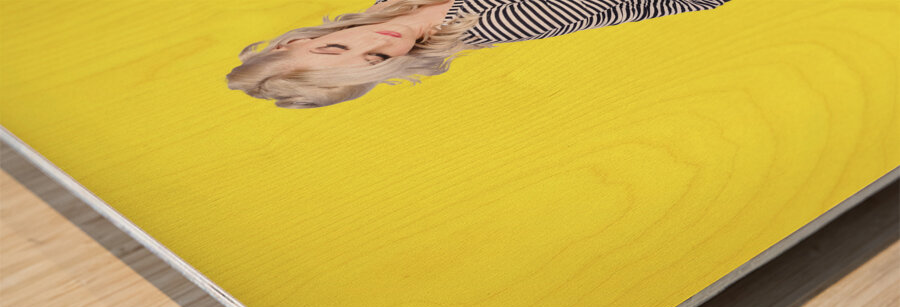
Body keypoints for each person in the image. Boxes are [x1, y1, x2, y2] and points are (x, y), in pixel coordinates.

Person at [226, 0, 734, 109]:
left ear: (290, 43)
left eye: (337, 47)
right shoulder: (495, 22)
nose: (381, 43)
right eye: (375, 62)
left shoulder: (389, 3)